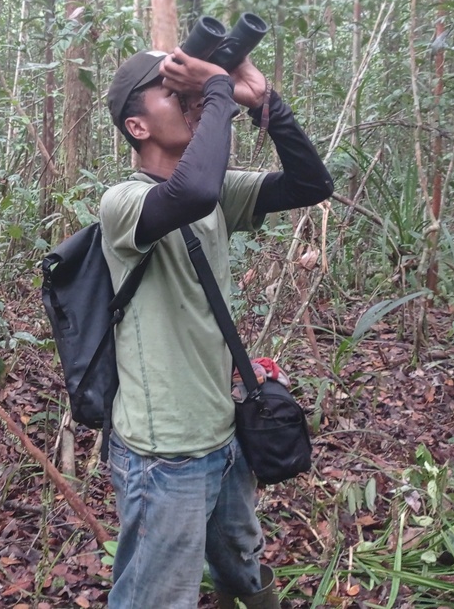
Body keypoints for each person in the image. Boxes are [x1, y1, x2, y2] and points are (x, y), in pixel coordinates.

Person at [101, 47, 333, 609]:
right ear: (137, 126)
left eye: (190, 90)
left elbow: (310, 184)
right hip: (165, 453)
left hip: (222, 431)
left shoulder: (216, 194)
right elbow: (191, 192)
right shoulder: (123, 203)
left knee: (240, 567)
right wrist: (218, 90)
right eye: (172, 92)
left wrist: (266, 103)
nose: (189, 99)